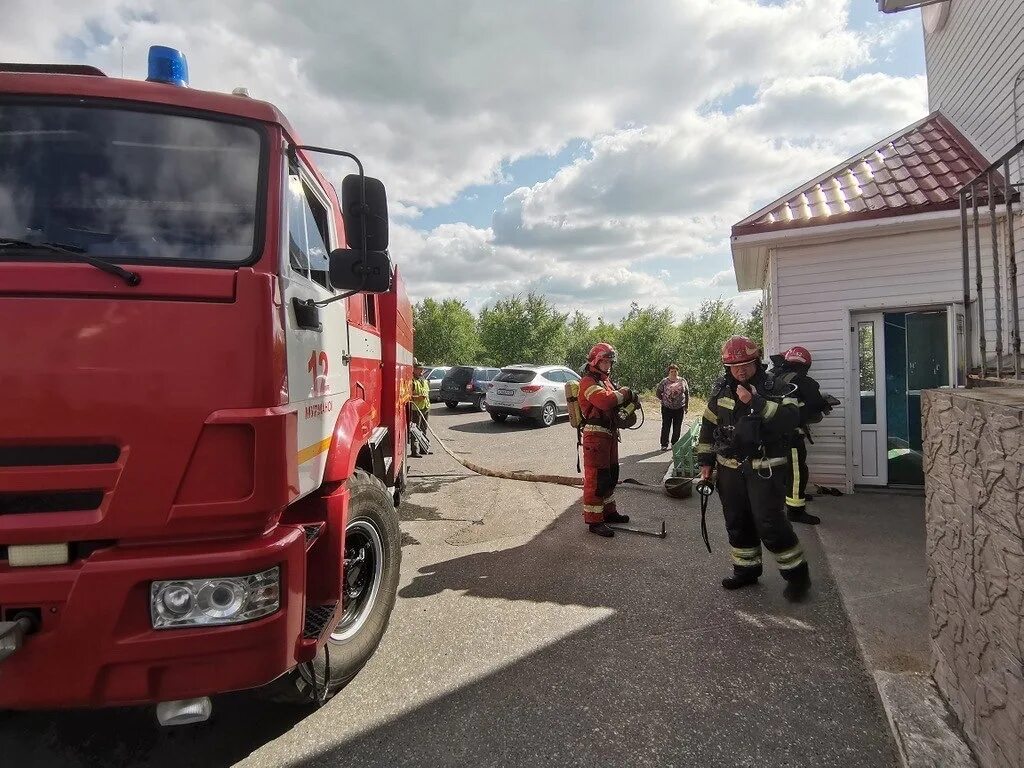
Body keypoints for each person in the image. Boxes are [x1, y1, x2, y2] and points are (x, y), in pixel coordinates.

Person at [696, 335, 811, 602]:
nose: (740, 370)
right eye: (735, 366)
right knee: (737, 522)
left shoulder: (777, 386)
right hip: (729, 469)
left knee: (770, 524)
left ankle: (798, 577)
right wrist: (705, 462)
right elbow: (708, 426)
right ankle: (746, 570)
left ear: (756, 361)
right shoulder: (722, 390)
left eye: (746, 364)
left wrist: (755, 402)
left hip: (764, 468)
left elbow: (791, 418)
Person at [769, 346, 834, 526]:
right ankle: (796, 510)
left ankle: (791, 496)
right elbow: (816, 403)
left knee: (782, 470)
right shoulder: (805, 382)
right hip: (791, 435)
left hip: (772, 435)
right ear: (806, 365)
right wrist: (826, 403)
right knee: (797, 471)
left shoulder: (774, 377)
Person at [578, 342, 634, 537]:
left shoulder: (605, 381)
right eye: (605, 361)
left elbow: (615, 401)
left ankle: (609, 512)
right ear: (595, 361)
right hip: (595, 436)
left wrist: (630, 402)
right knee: (596, 478)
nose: (608, 365)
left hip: (608, 435)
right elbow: (605, 401)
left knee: (610, 475)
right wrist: (625, 393)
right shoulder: (588, 382)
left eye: (610, 361)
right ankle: (594, 520)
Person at [655, 363, 689, 451]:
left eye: (675, 371)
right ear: (669, 372)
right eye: (672, 371)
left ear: (678, 372)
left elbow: (686, 393)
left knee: (677, 427)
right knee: (666, 426)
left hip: (679, 407)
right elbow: (658, 392)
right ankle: (664, 444)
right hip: (667, 408)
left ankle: (675, 443)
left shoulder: (682, 381)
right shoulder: (664, 381)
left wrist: (686, 406)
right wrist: (664, 400)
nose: (674, 373)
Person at [410, 359, 431, 458]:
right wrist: (418, 397)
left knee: (424, 429)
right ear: (414, 369)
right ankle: (415, 451)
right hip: (416, 409)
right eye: (419, 369)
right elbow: (408, 397)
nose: (421, 371)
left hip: (425, 408)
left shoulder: (424, 380)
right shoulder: (412, 381)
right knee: (415, 430)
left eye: (422, 369)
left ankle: (424, 448)